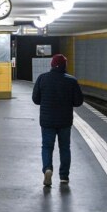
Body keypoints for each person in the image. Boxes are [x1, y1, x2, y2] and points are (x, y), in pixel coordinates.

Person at [31, 53, 83, 187]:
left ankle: (48, 169)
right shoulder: (71, 81)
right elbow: (78, 102)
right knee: (65, 147)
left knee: (47, 146)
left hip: (47, 121)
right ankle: (64, 176)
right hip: (65, 121)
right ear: (65, 65)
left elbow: (36, 100)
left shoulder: (42, 78)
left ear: (52, 65)